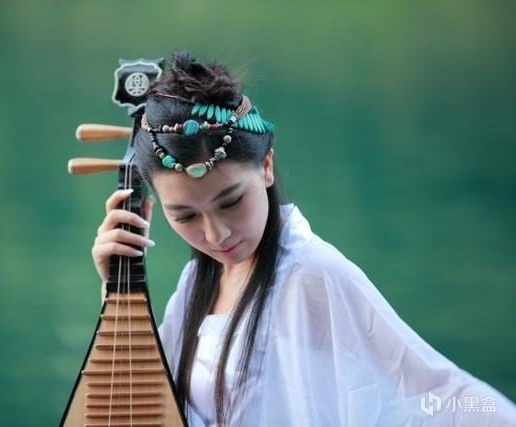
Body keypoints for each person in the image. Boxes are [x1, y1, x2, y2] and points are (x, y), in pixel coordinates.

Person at [91, 52, 516, 426]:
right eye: (185, 215)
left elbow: (434, 395)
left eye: (231, 201)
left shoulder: (313, 275)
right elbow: (149, 399)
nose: (216, 233)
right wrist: (116, 292)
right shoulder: (196, 281)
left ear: (266, 166)